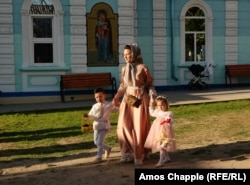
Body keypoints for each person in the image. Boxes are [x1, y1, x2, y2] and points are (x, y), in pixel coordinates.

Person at [112, 43, 157, 166]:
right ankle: (127, 153)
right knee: (122, 127)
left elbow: (150, 85)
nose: (126, 57)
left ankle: (139, 154)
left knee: (138, 127)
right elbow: (123, 86)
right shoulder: (124, 69)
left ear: (135, 54)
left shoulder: (143, 68)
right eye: (124, 55)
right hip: (128, 99)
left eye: (128, 54)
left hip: (140, 98)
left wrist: (153, 97)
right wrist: (116, 97)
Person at [84, 87, 118, 163]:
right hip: (96, 126)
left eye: (100, 96)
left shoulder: (109, 105)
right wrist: (88, 116)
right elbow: (91, 114)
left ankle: (99, 157)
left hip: (104, 125)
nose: (99, 98)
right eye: (97, 97)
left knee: (99, 141)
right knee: (96, 142)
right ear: (95, 97)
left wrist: (119, 105)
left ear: (104, 96)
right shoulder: (94, 106)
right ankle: (107, 148)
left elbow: (117, 108)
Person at [144, 95, 176, 167]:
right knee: (162, 145)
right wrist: (150, 106)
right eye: (158, 105)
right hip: (157, 130)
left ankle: (160, 161)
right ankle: (167, 157)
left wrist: (168, 120)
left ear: (166, 105)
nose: (160, 107)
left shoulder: (168, 113)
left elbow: (171, 120)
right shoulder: (157, 112)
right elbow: (151, 113)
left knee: (162, 146)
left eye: (162, 105)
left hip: (165, 132)